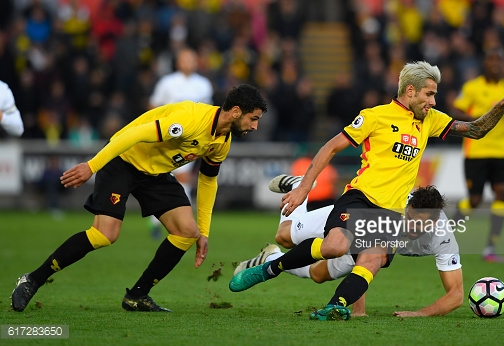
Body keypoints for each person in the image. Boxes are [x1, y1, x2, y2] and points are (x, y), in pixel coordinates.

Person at [229, 60, 504, 320]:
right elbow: (331, 147)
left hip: (390, 212)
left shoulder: (429, 120)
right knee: (333, 247)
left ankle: (336, 307)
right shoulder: (374, 116)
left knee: (371, 260)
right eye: (429, 94)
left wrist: (503, 104)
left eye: (435, 96)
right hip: (360, 197)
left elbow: (476, 130)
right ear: (410, 91)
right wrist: (304, 187)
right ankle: (271, 268)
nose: (434, 102)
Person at [10, 84, 267, 312]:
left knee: (187, 232)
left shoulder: (222, 140)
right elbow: (133, 135)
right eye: (253, 119)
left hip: (155, 173)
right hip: (123, 160)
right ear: (235, 112)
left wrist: (204, 231)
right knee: (105, 235)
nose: (255, 126)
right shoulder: (191, 119)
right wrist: (93, 165)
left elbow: (208, 180)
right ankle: (32, 279)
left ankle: (137, 296)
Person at [234, 176, 463, 318]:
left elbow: (456, 295)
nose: (414, 228)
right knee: (285, 235)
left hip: (372, 238)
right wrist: (357, 308)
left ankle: (271, 257)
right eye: (411, 220)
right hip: (355, 215)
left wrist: (419, 314)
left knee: (318, 274)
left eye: (422, 225)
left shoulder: (442, 235)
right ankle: (299, 186)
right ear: (407, 208)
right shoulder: (390, 209)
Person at [450, 48, 504, 263]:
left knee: (502, 193)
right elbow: (455, 110)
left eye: (498, 60)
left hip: (501, 152)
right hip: (477, 151)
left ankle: (490, 247)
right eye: (491, 59)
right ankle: (445, 236)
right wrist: (477, 119)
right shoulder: (472, 88)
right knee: (475, 199)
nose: (495, 63)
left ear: (503, 64)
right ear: (485, 63)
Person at [147, 48, 214, 239]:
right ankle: (155, 222)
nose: (188, 63)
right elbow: (153, 106)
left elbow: (208, 113)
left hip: (190, 140)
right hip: (167, 138)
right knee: (160, 179)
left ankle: (185, 222)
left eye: (192, 59)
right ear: (178, 62)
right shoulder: (167, 82)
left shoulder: (203, 84)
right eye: (185, 60)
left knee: (184, 179)